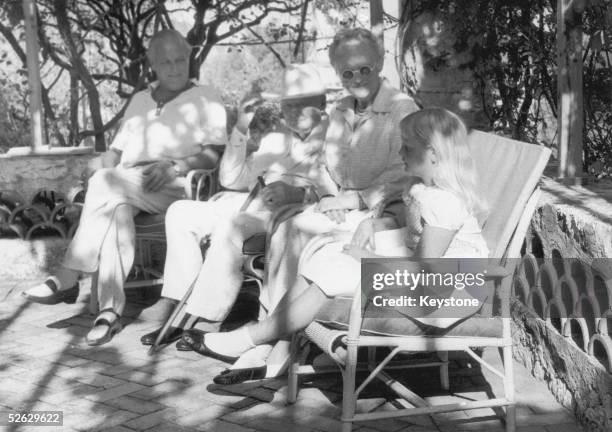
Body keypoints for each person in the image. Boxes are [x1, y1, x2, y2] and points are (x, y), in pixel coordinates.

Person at [198, 27, 420, 383]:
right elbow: (328, 169)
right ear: (338, 74)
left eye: (364, 68)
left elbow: (406, 175)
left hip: (380, 214)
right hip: (342, 208)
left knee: (297, 233)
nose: (357, 78)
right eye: (347, 73)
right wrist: (329, 194)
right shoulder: (341, 110)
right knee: (289, 227)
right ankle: (270, 346)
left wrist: (351, 198)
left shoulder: (400, 110)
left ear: (380, 63)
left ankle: (269, 349)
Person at [189, 107, 489, 362]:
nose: (400, 153)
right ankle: (268, 342)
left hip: (449, 290)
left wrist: (370, 258)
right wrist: (373, 226)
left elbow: (427, 268)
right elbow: (415, 235)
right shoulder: (425, 190)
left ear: (433, 154)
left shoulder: (445, 201)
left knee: (332, 277)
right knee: (322, 261)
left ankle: (251, 338)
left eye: (406, 147)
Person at [22, 29, 228, 346]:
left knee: (107, 184)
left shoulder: (207, 97)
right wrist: (92, 169)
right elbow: (115, 154)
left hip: (172, 183)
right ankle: (109, 313)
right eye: (166, 62)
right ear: (153, 66)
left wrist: (176, 166)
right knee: (114, 207)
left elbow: (214, 152)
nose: (175, 68)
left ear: (189, 58)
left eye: (180, 60)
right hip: (125, 184)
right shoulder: (140, 100)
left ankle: (67, 276)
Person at [139, 64, 337, 352]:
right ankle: (180, 312)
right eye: (287, 106)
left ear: (321, 104)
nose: (292, 113)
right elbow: (231, 179)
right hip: (248, 202)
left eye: (301, 106)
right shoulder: (277, 136)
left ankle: (203, 320)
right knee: (180, 211)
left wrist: (298, 193)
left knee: (235, 227)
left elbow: (339, 190)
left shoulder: (333, 135)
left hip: (291, 213)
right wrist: (241, 129)